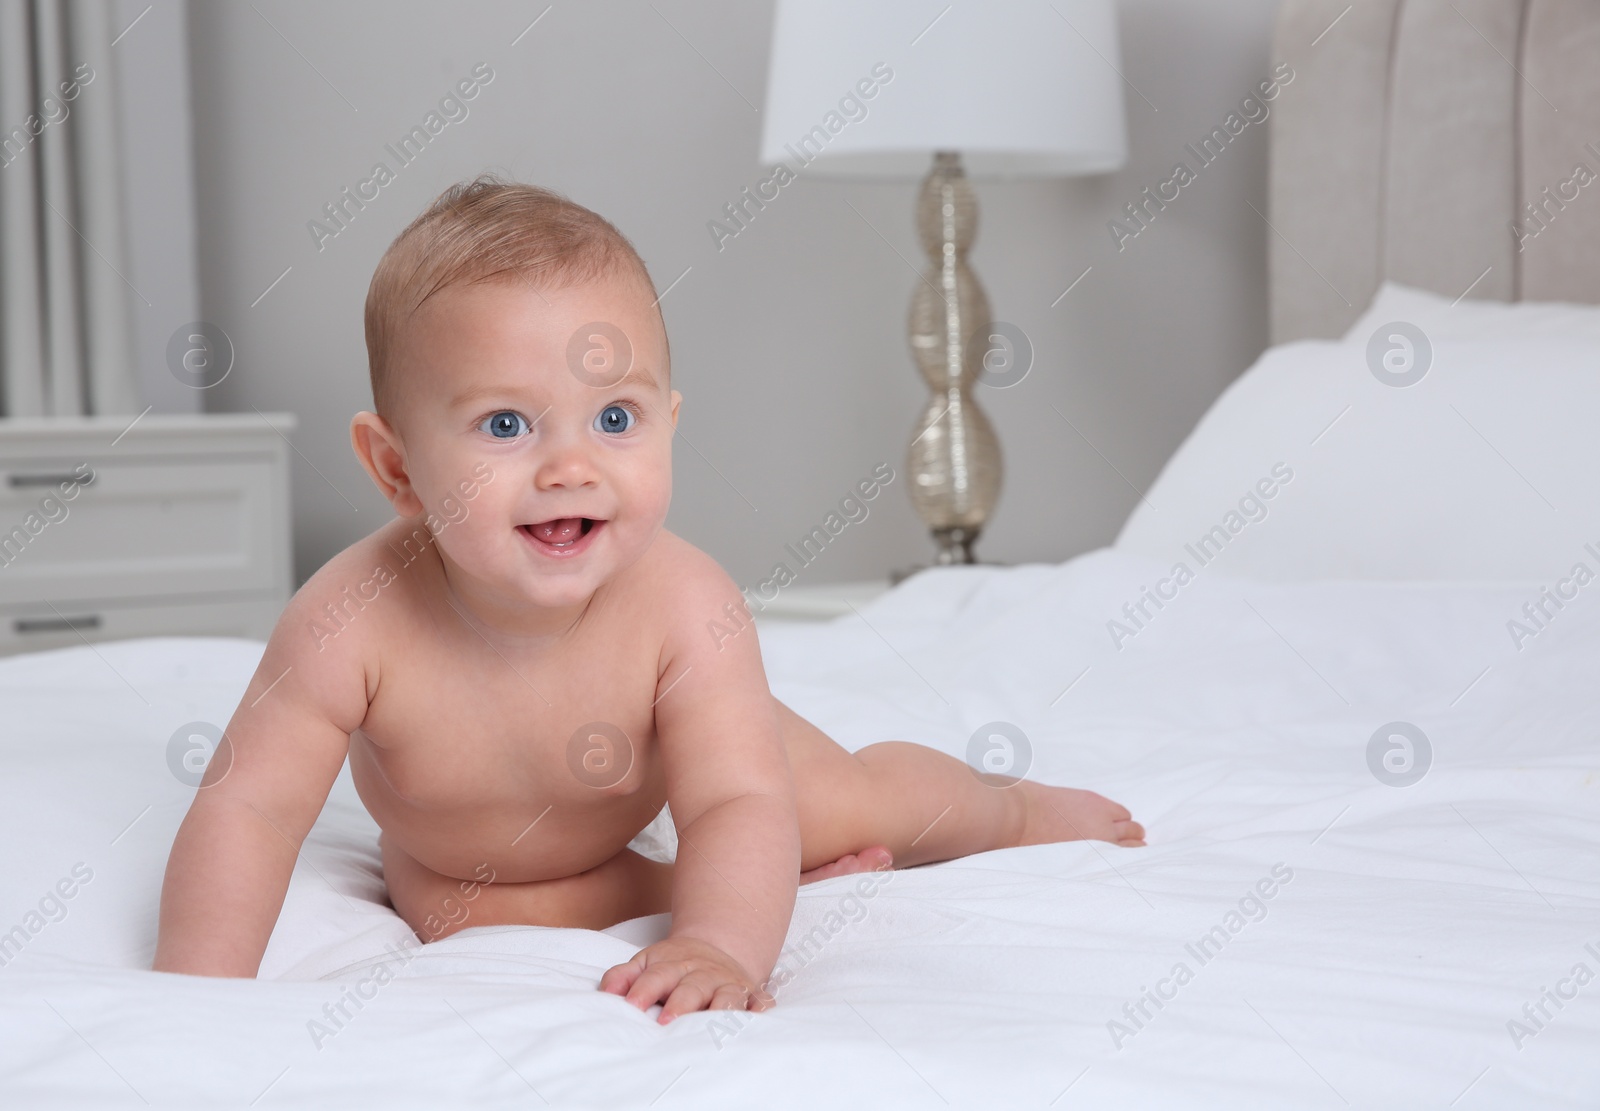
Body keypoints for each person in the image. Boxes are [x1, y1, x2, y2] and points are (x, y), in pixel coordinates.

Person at [152, 177, 1144, 1023]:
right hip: (468, 860)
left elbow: (733, 799)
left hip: (686, 764)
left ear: (667, 424)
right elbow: (248, 806)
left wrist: (719, 946)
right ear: (397, 467)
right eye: (505, 423)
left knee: (837, 802)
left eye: (615, 416)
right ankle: (745, 889)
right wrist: (193, 997)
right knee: (465, 910)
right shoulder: (349, 618)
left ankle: (1007, 809)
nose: (570, 465)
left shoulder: (681, 602)